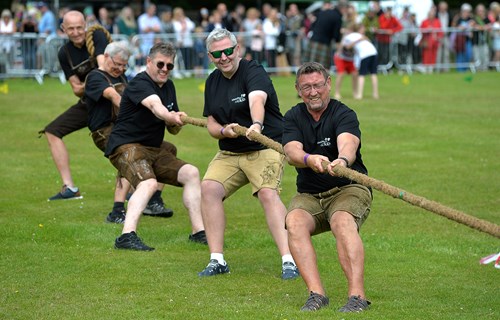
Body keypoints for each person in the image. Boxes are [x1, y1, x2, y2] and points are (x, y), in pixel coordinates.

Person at [197, 28, 299, 280]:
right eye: (217, 53)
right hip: (231, 152)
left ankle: (289, 260)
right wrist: (224, 131)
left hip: (265, 146)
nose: (224, 57)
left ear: (238, 49)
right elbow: (211, 124)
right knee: (208, 188)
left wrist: (255, 125)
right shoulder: (212, 81)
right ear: (210, 56)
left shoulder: (254, 71)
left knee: (267, 193)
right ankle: (217, 259)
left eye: (228, 51)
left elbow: (257, 99)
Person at [282, 61, 372, 312]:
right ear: (298, 89)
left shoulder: (344, 113)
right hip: (310, 194)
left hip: (348, 188)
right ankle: (316, 294)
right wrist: (310, 159)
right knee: (294, 222)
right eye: (306, 87)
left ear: (329, 83)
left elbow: (348, 144)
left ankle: (357, 297)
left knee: (341, 221)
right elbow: (291, 151)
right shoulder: (293, 117)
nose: (313, 92)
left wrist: (341, 161)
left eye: (318, 85)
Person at [104, 42, 207, 250]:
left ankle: (199, 232)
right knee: (149, 183)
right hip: (126, 146)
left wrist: (177, 119)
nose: (164, 69)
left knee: (191, 173)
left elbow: (172, 129)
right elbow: (155, 107)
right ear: (148, 62)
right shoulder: (140, 83)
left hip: (153, 149)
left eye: (170, 66)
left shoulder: (169, 86)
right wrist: (169, 115)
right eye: (161, 64)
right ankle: (126, 236)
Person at [39, 10, 109, 201]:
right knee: (52, 131)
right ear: (63, 29)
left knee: (119, 143)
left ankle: (132, 189)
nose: (77, 32)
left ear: (85, 24)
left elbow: (104, 70)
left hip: (112, 100)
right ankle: (69, 188)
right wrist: (90, 84)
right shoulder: (65, 53)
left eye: (80, 27)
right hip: (88, 103)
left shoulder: (97, 36)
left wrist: (88, 83)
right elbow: (76, 89)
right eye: (71, 29)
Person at [83, 41, 132, 223]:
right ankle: (117, 212)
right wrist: (130, 112)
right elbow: (112, 95)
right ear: (105, 57)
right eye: (116, 64)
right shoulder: (95, 77)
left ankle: (152, 200)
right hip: (103, 130)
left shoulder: (124, 77)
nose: (119, 69)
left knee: (162, 148)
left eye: (123, 65)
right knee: (129, 156)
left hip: (123, 128)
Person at [343, 24, 379, 99]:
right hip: (374, 52)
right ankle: (375, 94)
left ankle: (359, 94)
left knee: (361, 75)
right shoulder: (361, 35)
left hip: (365, 54)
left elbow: (347, 46)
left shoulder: (350, 36)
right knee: (373, 73)